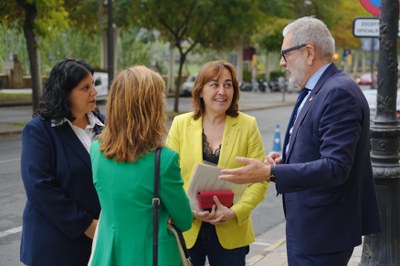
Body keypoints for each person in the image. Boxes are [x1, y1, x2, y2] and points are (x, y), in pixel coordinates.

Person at [219, 17, 381, 266]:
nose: (282, 63)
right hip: (311, 228)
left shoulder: (337, 92)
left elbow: (336, 167)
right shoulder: (319, 89)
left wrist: (269, 173)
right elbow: (321, 148)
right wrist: (287, 161)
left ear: (308, 53)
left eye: (285, 54)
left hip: (323, 232)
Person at [166, 60, 268, 266]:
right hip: (188, 227)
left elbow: (259, 180)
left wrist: (235, 212)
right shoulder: (180, 124)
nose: (222, 91)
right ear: (200, 90)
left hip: (231, 231)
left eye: (228, 84)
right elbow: (168, 177)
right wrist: (188, 212)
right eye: (214, 84)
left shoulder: (248, 125)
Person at [89, 66, 193, 265]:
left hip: (108, 255)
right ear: (151, 108)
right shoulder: (163, 160)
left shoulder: (96, 150)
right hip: (149, 257)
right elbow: (184, 220)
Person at [20, 58, 105, 266]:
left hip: (100, 243)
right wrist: (87, 225)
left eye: (93, 84)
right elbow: (40, 188)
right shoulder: (39, 131)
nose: (94, 91)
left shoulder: (104, 125)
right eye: (85, 87)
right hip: (55, 247)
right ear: (65, 93)